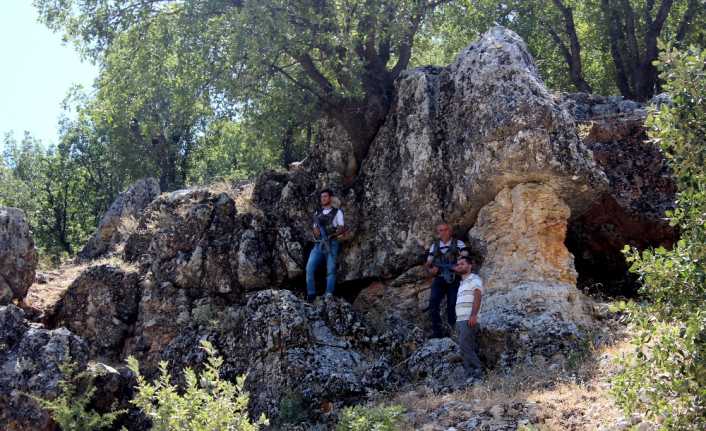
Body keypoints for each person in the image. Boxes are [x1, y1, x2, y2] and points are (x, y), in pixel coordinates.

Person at [425, 223, 468, 338]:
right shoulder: (434, 246)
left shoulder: (459, 244)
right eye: (440, 231)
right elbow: (428, 264)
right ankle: (437, 332)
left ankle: (453, 332)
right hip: (439, 279)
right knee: (433, 303)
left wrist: (457, 267)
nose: (442, 233)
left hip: (454, 279)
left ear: (450, 231)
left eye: (445, 230)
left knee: (453, 305)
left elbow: (465, 261)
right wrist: (431, 269)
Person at [306, 188, 346, 301]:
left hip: (331, 243)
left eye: (325, 196)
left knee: (331, 270)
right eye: (322, 197)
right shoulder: (317, 213)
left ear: (330, 198)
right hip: (318, 244)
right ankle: (311, 295)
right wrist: (317, 231)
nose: (323, 199)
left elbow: (341, 228)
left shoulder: (337, 212)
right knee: (309, 268)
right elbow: (314, 228)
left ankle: (328, 295)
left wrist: (331, 233)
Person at [454, 255, 484, 381]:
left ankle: (478, 371)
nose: (459, 266)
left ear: (470, 265)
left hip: (468, 318)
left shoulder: (474, 279)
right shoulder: (461, 283)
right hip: (460, 320)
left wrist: (473, 315)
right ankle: (470, 375)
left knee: (464, 345)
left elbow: (477, 296)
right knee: (465, 347)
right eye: (458, 264)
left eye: (462, 264)